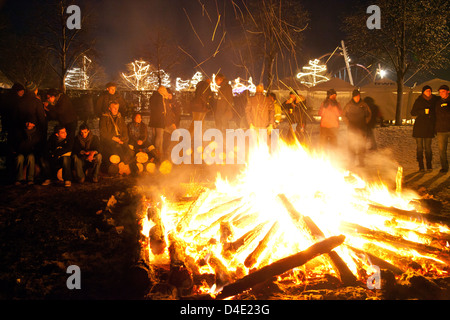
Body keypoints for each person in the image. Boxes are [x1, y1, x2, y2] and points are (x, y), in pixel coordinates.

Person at [99, 100, 134, 170]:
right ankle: (123, 165)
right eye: (114, 107)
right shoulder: (104, 118)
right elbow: (103, 133)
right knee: (118, 148)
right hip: (109, 140)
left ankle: (134, 170)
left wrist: (122, 139)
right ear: (109, 108)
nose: (116, 109)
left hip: (119, 139)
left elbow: (124, 131)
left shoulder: (120, 117)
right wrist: (114, 139)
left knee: (129, 151)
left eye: (117, 107)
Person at [410, 85, 438, 172]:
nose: (428, 92)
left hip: (429, 127)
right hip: (419, 127)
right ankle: (421, 166)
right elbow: (413, 112)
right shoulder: (419, 100)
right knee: (419, 148)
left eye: (429, 91)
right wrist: (422, 112)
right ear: (423, 92)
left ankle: (429, 165)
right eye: (426, 91)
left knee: (428, 148)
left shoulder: (435, 100)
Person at [342, 89, 372, 168]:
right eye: (356, 97)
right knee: (351, 146)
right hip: (352, 129)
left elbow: (369, 114)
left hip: (361, 128)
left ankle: (361, 163)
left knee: (361, 146)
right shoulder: (349, 105)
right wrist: (348, 123)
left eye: (358, 96)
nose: (357, 98)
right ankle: (351, 162)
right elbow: (343, 115)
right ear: (353, 97)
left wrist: (365, 122)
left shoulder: (364, 105)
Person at [10, 120, 42, 185]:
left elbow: (37, 145)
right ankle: (19, 179)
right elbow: (15, 143)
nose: (28, 124)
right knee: (19, 158)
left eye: (31, 123)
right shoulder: (20, 132)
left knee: (31, 157)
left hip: (31, 152)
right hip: (20, 151)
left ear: (34, 124)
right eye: (27, 122)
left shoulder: (36, 134)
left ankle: (30, 179)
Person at [149, 86, 170, 160]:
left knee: (156, 136)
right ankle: (158, 153)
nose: (166, 92)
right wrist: (162, 114)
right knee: (159, 137)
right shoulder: (159, 97)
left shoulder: (155, 96)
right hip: (159, 120)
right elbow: (160, 108)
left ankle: (158, 153)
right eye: (164, 90)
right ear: (161, 91)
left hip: (155, 120)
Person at [435, 85, 450, 173]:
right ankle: (444, 167)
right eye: (440, 92)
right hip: (441, 129)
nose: (441, 94)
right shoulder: (438, 102)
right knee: (442, 150)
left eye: (443, 91)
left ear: (448, 91)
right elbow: (437, 115)